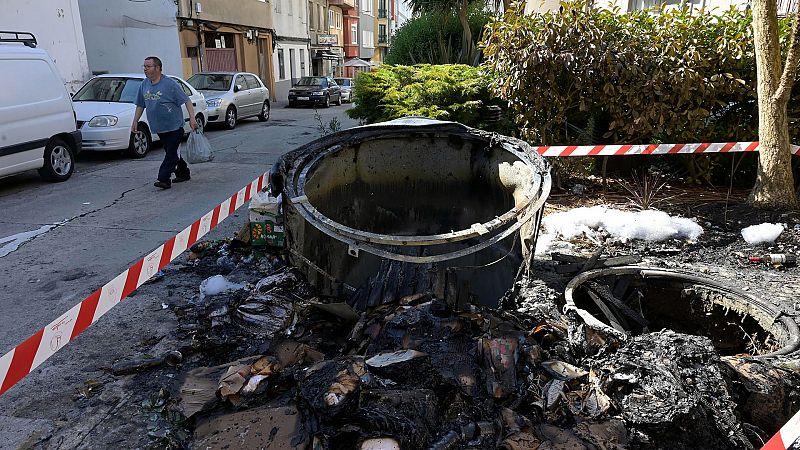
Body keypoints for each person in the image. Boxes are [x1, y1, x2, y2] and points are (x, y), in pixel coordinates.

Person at [132, 56, 197, 189]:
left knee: (171, 153)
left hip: (174, 126)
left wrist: (192, 118)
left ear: (158, 68)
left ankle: (164, 179)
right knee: (171, 152)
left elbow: (187, 101)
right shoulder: (144, 85)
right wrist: (135, 121)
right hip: (159, 127)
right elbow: (140, 105)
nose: (145, 69)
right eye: (144, 66)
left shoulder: (170, 84)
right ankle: (183, 173)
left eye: (148, 66)